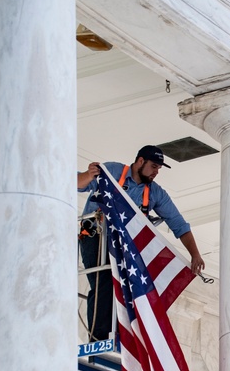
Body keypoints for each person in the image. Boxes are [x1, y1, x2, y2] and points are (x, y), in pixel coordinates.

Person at [77, 144, 205, 341]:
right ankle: (99, 338)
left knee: (128, 287)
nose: (156, 172)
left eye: (159, 169)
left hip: (124, 245)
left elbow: (179, 224)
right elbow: (76, 183)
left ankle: (122, 336)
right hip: (96, 237)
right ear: (140, 161)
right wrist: (88, 174)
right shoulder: (112, 171)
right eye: (154, 166)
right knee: (103, 281)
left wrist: (195, 254)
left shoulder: (155, 193)